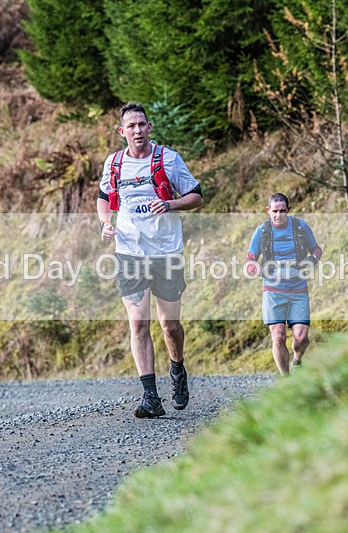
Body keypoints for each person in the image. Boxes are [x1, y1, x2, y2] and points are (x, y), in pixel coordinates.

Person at [97, 102, 203, 418]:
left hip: (166, 252)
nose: (138, 131)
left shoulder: (168, 159)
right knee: (138, 321)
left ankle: (178, 368)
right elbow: (104, 199)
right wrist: (105, 223)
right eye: (131, 126)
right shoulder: (114, 163)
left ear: (150, 127)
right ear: (122, 132)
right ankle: (151, 396)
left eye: (142, 124)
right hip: (129, 252)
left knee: (169, 325)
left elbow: (197, 195)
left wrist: (170, 205)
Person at [245, 193, 322, 376]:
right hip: (273, 291)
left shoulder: (300, 227)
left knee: (301, 338)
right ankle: (286, 379)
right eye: (274, 211)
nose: (278, 215)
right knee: (278, 336)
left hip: (298, 290)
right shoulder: (262, 231)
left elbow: (316, 250)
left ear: (288, 210)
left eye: (282, 211)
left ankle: (297, 360)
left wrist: (312, 262)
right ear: (268, 211)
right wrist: (258, 270)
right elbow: (249, 261)